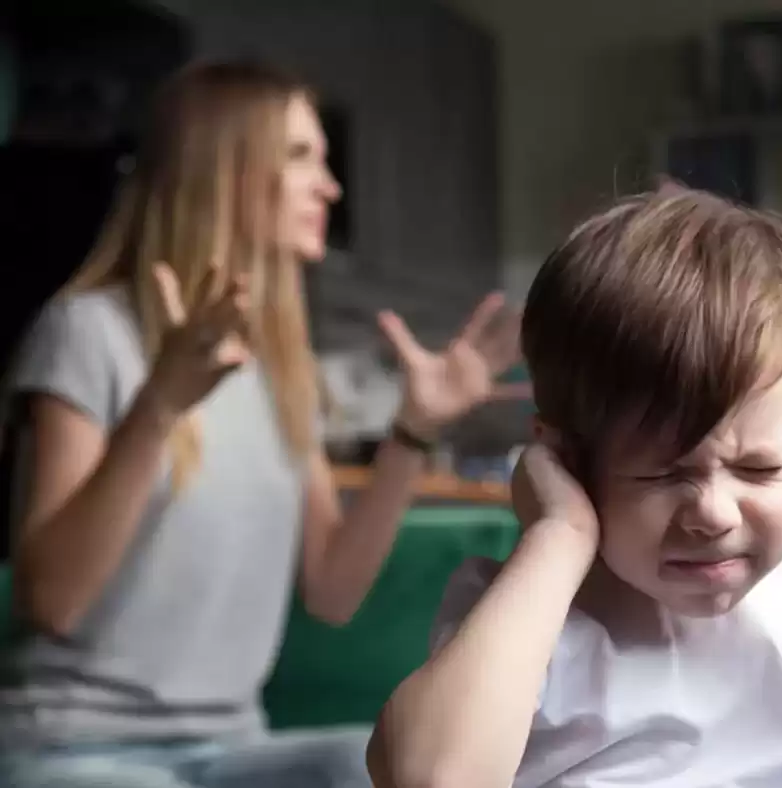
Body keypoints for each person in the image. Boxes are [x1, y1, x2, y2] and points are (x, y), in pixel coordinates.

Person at [366, 186, 782, 788]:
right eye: (662, 472)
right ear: (565, 456)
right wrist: (558, 536)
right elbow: (431, 780)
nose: (711, 513)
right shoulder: (520, 617)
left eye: (759, 469)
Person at [0, 61, 520, 788]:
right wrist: (160, 406)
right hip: (78, 751)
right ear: (227, 170)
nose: (330, 189)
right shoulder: (88, 331)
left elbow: (332, 591)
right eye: (303, 158)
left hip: (231, 748)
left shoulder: (281, 365)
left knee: (388, 766)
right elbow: (50, 600)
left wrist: (413, 430)